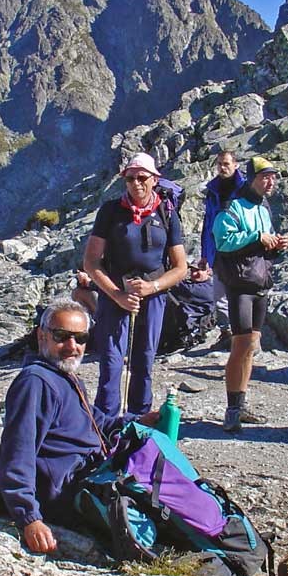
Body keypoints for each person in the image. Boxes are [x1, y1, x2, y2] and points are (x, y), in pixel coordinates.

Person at [0, 300, 129, 553]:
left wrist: (139, 422)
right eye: (61, 336)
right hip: (68, 495)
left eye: (80, 338)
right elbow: (18, 452)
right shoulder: (35, 382)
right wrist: (29, 518)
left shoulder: (65, 377)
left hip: (91, 478)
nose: (72, 346)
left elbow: (95, 421)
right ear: (41, 336)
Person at [83, 152, 189, 419]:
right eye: (130, 179)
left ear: (154, 179)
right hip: (115, 293)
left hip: (153, 295)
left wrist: (152, 288)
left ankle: (139, 421)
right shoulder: (110, 211)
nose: (136, 184)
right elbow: (91, 262)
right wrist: (117, 295)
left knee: (144, 359)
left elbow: (181, 267)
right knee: (111, 361)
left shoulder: (167, 213)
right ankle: (106, 422)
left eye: (142, 178)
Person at [212, 157, 288, 433]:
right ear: (252, 178)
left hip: (260, 283)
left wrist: (277, 243)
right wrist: (256, 236)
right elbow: (222, 240)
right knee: (241, 343)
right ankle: (232, 410)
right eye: (265, 177)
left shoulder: (263, 209)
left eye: (273, 177)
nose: (271, 182)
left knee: (251, 344)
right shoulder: (233, 206)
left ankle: (240, 404)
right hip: (240, 284)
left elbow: (264, 242)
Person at [198, 151, 244, 348]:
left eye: (226, 164)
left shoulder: (244, 188)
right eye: (219, 164)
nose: (222, 168)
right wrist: (204, 255)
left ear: (236, 164)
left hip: (239, 249)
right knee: (219, 294)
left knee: (240, 292)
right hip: (217, 250)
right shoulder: (213, 190)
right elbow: (208, 222)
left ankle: (243, 335)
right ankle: (226, 333)